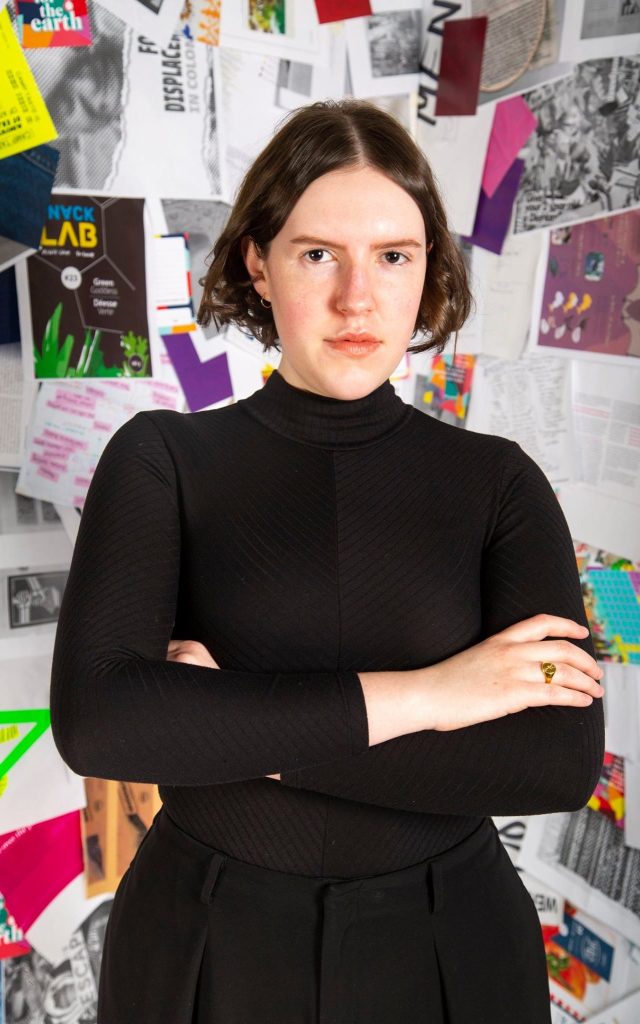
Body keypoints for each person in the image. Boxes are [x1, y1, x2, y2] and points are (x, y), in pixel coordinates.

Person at [49, 98, 605, 1024]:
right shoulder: (161, 460)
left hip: (449, 948)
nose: (359, 299)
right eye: (319, 255)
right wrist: (436, 694)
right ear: (258, 263)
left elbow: (553, 759)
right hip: (201, 943)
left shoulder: (500, 484)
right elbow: (101, 722)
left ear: (427, 272)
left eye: (394, 256)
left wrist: (244, 737)